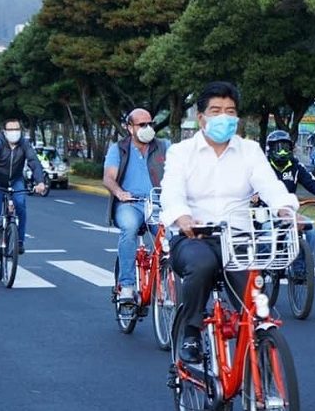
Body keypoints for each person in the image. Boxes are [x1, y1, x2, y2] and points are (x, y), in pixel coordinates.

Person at [160, 82, 299, 364]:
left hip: (238, 239)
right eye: (216, 110)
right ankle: (191, 331)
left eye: (230, 111)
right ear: (201, 118)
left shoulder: (249, 150)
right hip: (194, 236)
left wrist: (286, 209)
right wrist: (182, 217)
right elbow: (171, 190)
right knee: (202, 265)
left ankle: (258, 366)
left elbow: (268, 184)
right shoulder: (181, 152)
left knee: (255, 306)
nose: (224, 117)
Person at [102, 108, 169, 305]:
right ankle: (127, 286)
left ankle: (166, 282)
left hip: (158, 204)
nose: (148, 128)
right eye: (142, 124)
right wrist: (119, 193)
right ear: (130, 127)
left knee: (169, 238)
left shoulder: (164, 147)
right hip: (130, 204)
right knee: (129, 228)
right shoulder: (119, 149)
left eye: (150, 124)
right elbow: (108, 178)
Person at [261, 130, 315, 280]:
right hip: (264, 213)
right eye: (278, 147)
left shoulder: (296, 166)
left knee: (311, 229)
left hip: (288, 212)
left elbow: (311, 182)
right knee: (266, 233)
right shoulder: (262, 167)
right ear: (269, 149)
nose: (282, 151)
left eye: (286, 147)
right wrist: (254, 196)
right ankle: (266, 264)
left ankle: (299, 268)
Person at [0, 119, 45, 258]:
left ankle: (19, 241)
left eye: (16, 129)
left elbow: (34, 162)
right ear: (4, 132)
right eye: (10, 129)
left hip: (16, 180)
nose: (14, 132)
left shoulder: (24, 144)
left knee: (20, 205)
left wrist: (40, 182)